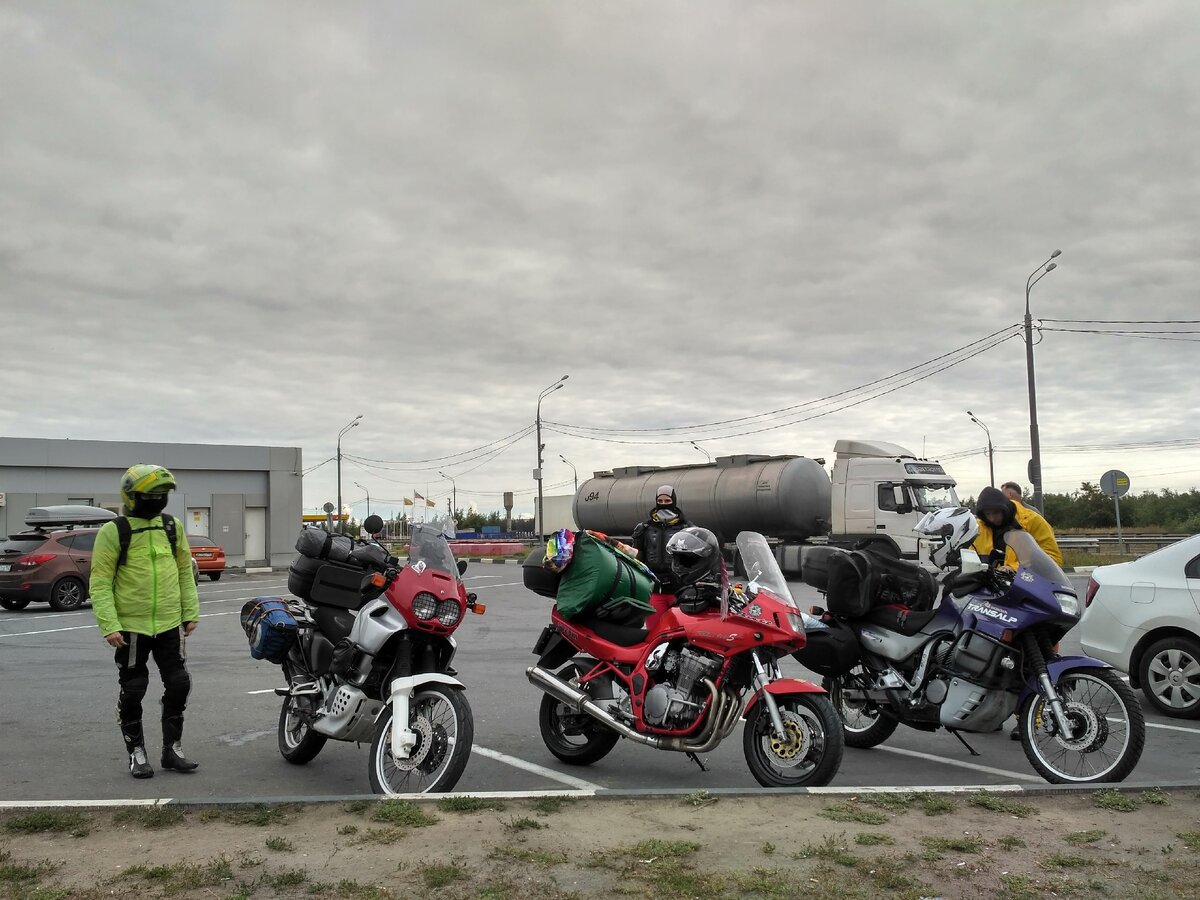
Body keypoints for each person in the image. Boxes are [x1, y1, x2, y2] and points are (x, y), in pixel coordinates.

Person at [90, 465, 201, 778]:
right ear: (132, 496)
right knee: (135, 687)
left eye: (162, 495)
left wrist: (190, 612)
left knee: (179, 683)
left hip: (169, 624)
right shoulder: (115, 531)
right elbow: (100, 581)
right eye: (151, 495)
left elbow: (184, 571)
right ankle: (136, 752)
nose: (157, 500)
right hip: (130, 628)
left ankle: (172, 750)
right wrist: (108, 624)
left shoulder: (172, 526)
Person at [981, 483, 1064, 566]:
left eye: (996, 513)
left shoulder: (1032, 519)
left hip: (1028, 577)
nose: (992, 518)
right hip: (992, 578)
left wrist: (1014, 568)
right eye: (987, 514)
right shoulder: (979, 527)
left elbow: (1052, 557)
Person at [631, 485, 689, 589]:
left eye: (667, 501)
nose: (663, 504)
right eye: (660, 501)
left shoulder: (687, 528)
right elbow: (637, 556)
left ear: (674, 501)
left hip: (679, 586)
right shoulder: (644, 528)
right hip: (653, 584)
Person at [665, 526, 727, 614]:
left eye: (687, 560)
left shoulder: (716, 586)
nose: (679, 566)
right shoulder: (675, 589)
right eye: (677, 558)